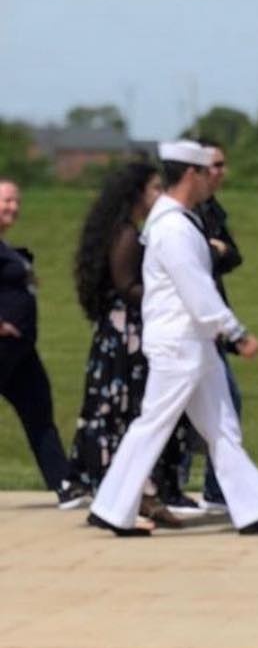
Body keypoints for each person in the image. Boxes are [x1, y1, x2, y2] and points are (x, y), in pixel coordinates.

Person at [88, 140, 258, 538]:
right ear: (190, 174)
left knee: (222, 427)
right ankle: (112, 508)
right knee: (154, 425)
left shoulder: (178, 222)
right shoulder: (173, 228)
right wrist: (235, 333)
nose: (211, 180)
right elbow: (197, 289)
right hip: (180, 343)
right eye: (205, 172)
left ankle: (255, 507)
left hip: (193, 342)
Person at [64, 160, 192, 515]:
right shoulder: (125, 235)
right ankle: (128, 497)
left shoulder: (123, 231)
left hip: (120, 333)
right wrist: (169, 295)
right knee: (127, 411)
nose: (161, 194)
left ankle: (138, 495)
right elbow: (126, 286)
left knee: (128, 411)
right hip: (126, 336)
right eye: (155, 188)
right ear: (137, 194)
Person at [0, 178, 70, 500]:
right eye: (6, 200)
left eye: (17, 201)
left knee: (39, 412)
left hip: (21, 349)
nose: (13, 207)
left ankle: (64, 484)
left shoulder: (5, 246)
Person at [186, 137, 245, 515]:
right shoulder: (183, 211)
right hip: (190, 325)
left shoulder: (211, 208)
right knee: (174, 412)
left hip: (211, 320)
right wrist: (212, 249)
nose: (221, 172)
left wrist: (216, 249)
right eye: (215, 165)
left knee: (222, 403)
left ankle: (215, 488)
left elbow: (233, 255)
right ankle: (174, 487)